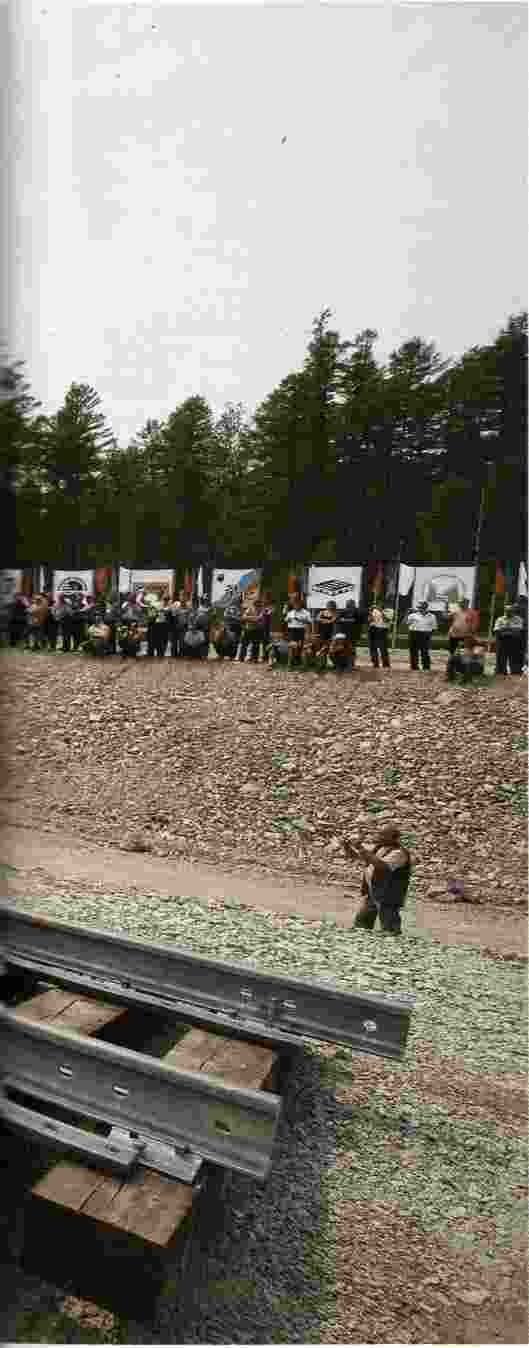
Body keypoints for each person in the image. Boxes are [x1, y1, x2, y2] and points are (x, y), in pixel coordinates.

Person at [342, 823, 412, 935]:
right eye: (379, 834)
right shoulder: (379, 848)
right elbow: (358, 857)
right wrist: (346, 846)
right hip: (375, 889)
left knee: (389, 920)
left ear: (393, 838)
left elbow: (381, 865)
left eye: (382, 835)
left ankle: (392, 936)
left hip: (389, 892)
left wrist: (360, 847)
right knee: (362, 922)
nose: (379, 837)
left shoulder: (399, 853)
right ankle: (363, 933)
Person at [493, 604, 525, 675]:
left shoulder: (519, 619)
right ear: (504, 611)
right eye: (507, 610)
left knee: (514, 658)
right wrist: (511, 629)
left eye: (510, 611)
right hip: (502, 640)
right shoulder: (499, 619)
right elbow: (497, 630)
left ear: (513, 611)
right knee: (501, 657)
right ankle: (500, 671)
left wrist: (504, 628)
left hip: (514, 641)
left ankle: (515, 671)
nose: (508, 612)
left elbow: (519, 630)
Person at [405, 601, 438, 670]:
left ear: (426, 607)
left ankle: (426, 666)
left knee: (425, 651)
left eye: (421, 607)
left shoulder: (432, 616)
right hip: (414, 633)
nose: (420, 609)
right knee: (413, 651)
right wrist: (407, 614)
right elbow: (406, 623)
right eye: (419, 607)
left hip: (426, 634)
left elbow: (434, 627)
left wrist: (428, 634)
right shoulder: (412, 615)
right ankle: (414, 666)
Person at [284, 594, 312, 667]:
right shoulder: (290, 612)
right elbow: (286, 620)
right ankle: (290, 663)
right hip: (292, 630)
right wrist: (288, 620)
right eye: (294, 604)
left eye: (297, 604)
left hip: (302, 630)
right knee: (292, 646)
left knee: (301, 647)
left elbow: (310, 622)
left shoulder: (306, 612)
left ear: (300, 604)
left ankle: (301, 662)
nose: (296, 606)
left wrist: (302, 620)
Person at [338, 600, 365, 667]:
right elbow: (337, 620)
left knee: (352, 649)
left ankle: (351, 663)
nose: (350, 605)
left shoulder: (357, 612)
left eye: (352, 604)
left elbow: (360, 621)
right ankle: (344, 663)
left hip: (353, 634)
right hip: (344, 634)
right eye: (349, 604)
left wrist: (345, 620)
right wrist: (349, 620)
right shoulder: (343, 612)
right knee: (344, 649)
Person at [367, 605, 390, 669]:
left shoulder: (388, 611)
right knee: (375, 647)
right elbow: (369, 620)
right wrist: (371, 612)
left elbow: (387, 620)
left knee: (381, 648)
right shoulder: (373, 610)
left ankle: (383, 664)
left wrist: (380, 612)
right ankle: (378, 664)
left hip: (380, 628)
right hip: (376, 628)